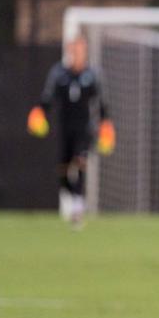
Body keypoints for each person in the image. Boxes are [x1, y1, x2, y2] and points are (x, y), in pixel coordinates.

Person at [27, 34, 114, 229]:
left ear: (85, 52)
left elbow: (102, 104)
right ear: (69, 51)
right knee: (63, 172)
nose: (77, 54)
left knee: (80, 163)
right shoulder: (59, 74)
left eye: (80, 50)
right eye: (74, 50)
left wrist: (106, 125)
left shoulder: (93, 75)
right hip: (65, 129)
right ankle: (74, 197)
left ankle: (77, 208)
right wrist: (38, 113)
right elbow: (47, 99)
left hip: (84, 130)